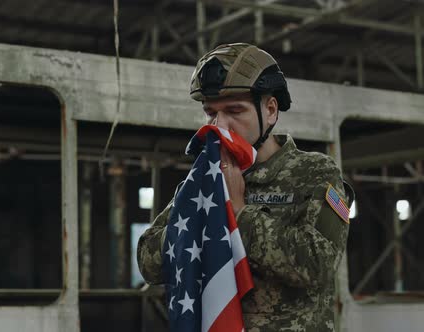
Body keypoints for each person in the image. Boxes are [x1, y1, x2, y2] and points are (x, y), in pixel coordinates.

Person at [137, 43, 353, 331]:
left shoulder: (313, 172)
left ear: (271, 110)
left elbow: (317, 265)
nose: (220, 124)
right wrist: (200, 218)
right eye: (211, 112)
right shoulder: (204, 179)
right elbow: (148, 263)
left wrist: (239, 212)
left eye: (235, 110)